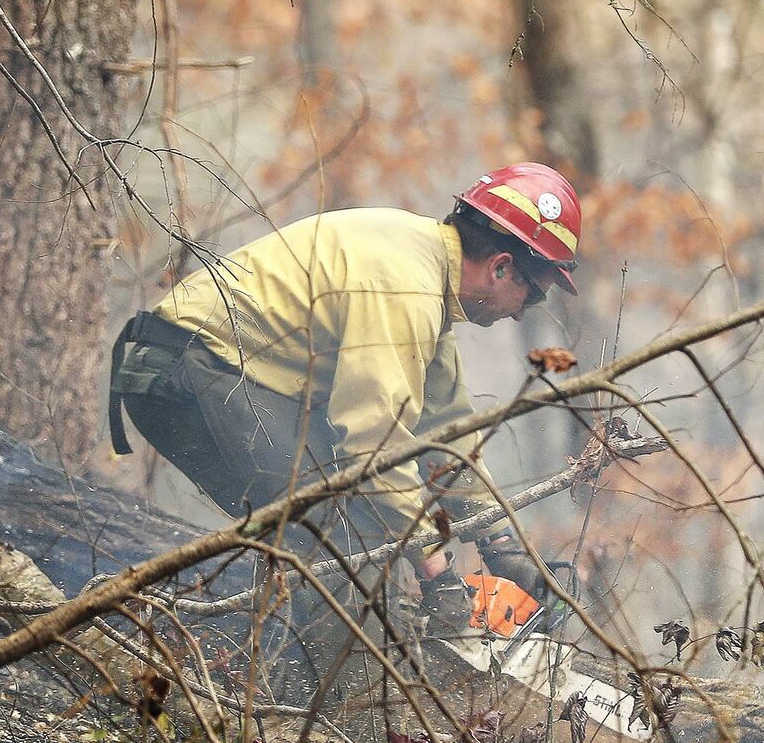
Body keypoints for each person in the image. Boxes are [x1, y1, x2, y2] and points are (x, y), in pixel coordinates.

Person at [108, 162, 581, 634]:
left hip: (212, 370)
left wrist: (501, 542)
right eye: (533, 297)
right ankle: (327, 689)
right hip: (182, 369)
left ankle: (285, 659)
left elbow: (444, 432)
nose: (523, 316)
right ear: (501, 268)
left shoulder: (423, 275)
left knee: (348, 525)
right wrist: (437, 574)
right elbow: (375, 443)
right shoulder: (403, 287)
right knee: (332, 534)